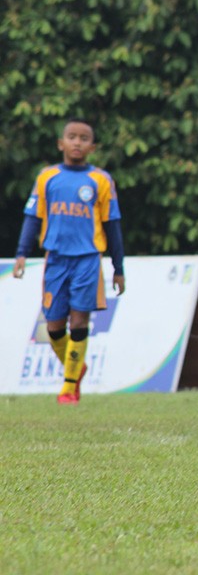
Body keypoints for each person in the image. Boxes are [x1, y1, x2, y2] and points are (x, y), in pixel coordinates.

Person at [13, 118, 126, 405]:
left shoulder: (101, 180)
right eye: (72, 137)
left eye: (84, 138)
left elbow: (112, 225)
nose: (77, 142)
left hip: (87, 259)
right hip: (56, 259)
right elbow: (32, 217)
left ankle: (68, 387)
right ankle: (75, 367)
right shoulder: (47, 177)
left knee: (79, 320)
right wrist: (22, 253)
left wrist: (118, 268)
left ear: (92, 147)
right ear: (60, 144)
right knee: (53, 327)